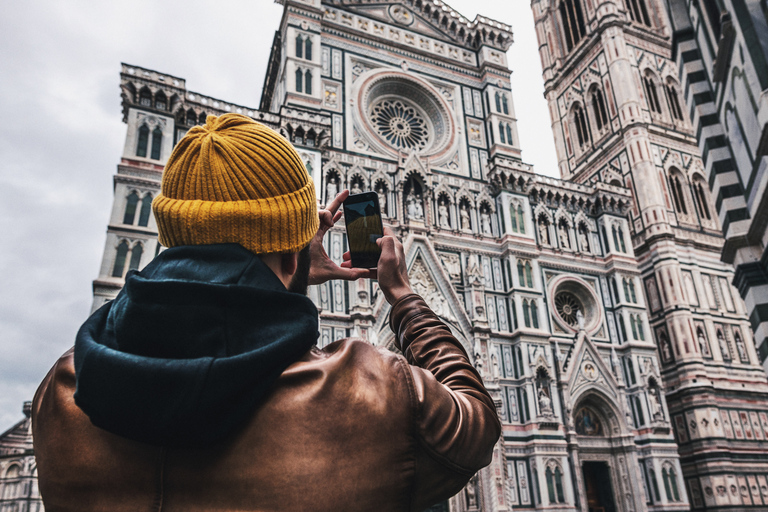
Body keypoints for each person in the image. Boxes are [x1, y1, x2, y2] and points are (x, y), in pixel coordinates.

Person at [32, 114, 500, 512]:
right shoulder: (375, 395)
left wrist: (287, 262)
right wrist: (402, 296)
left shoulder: (62, 392)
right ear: (294, 254)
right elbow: (476, 422)